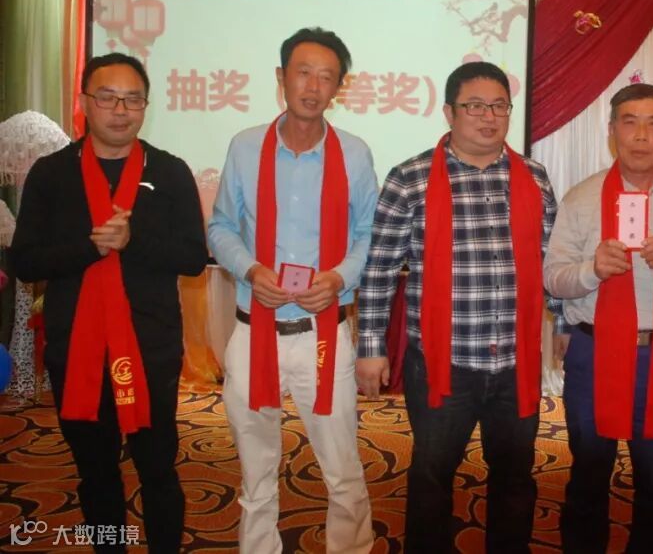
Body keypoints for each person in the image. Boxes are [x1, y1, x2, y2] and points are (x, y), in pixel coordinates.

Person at [355, 61, 559, 553]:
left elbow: (551, 259)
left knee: (515, 476)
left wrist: (568, 323)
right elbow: (380, 269)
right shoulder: (410, 178)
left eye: (499, 106)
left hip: (515, 363)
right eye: (475, 106)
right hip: (442, 365)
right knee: (432, 476)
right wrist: (370, 347)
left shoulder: (532, 177)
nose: (488, 117)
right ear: (449, 112)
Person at [12, 53, 207, 553]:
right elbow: (25, 262)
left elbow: (192, 259)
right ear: (84, 103)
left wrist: (132, 241)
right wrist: (89, 247)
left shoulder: (169, 172)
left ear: (146, 106)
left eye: (132, 99)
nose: (120, 110)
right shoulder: (52, 174)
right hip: (76, 351)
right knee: (96, 475)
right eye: (108, 97)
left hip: (150, 350)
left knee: (158, 470)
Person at [207, 28, 377, 553]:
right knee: (255, 469)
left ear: (339, 88)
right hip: (253, 330)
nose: (313, 86)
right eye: (303, 73)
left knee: (342, 467)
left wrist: (339, 278)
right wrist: (250, 270)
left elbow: (369, 233)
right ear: (281, 78)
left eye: (327, 77)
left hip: (323, 333)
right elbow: (221, 227)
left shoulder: (354, 153)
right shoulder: (245, 146)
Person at [543, 83, 653, 552]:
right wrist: (592, 270)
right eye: (630, 122)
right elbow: (553, 278)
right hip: (593, 352)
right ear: (612, 132)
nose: (641, 135)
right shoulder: (582, 199)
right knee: (589, 472)